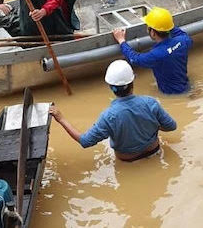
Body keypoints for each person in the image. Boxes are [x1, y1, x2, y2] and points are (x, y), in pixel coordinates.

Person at [49, 60, 177, 161]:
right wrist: (152, 124)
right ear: (132, 82)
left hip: (128, 161)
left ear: (110, 87)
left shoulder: (108, 116)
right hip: (154, 152)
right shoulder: (150, 103)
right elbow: (171, 126)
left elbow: (85, 141)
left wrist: (61, 119)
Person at [112, 7, 192, 94]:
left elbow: (134, 59)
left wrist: (121, 41)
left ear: (153, 32)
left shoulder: (156, 55)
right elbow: (178, 32)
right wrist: (164, 22)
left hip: (171, 94)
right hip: (187, 86)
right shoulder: (184, 40)